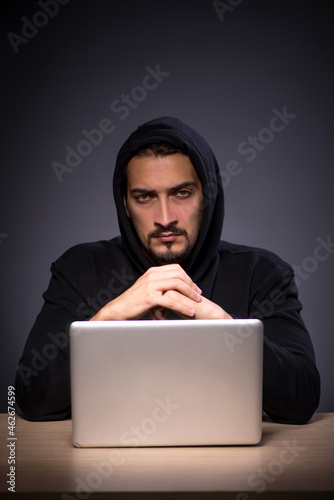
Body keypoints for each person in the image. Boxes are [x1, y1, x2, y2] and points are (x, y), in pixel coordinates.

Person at [15, 116, 320, 423]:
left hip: (229, 466)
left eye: (182, 193)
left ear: (207, 196)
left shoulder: (262, 273)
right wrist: (106, 321)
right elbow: (30, 398)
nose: (164, 218)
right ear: (125, 204)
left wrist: (228, 329)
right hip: (109, 465)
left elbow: (302, 401)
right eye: (144, 197)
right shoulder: (81, 269)